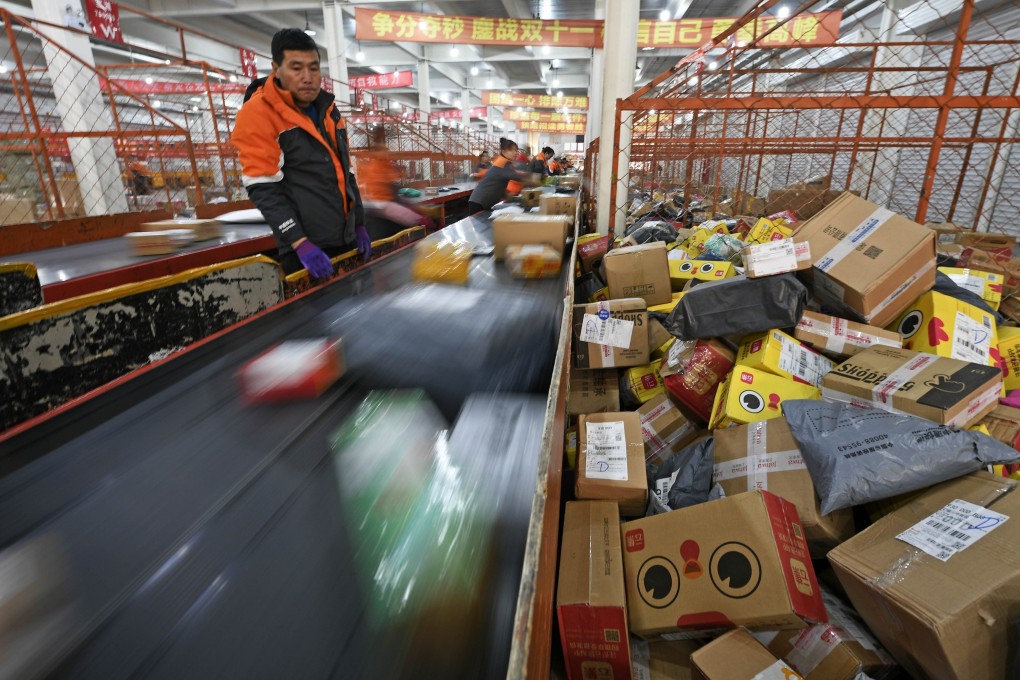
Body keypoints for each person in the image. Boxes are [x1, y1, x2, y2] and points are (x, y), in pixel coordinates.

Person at [232, 28, 367, 280]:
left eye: (313, 68)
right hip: (306, 252)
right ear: (277, 69)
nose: (307, 77)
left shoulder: (329, 111)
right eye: (296, 68)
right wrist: (299, 242)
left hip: (345, 240)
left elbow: (346, 173)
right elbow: (263, 188)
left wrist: (359, 222)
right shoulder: (258, 114)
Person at [357, 125, 434, 235]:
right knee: (415, 218)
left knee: (412, 211)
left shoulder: (383, 165)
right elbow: (384, 192)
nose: (387, 153)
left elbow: (392, 188)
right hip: (380, 205)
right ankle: (425, 228)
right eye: (384, 151)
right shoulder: (374, 167)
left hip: (384, 203)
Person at [467, 138, 532, 214]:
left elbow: (498, 181)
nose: (515, 152)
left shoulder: (503, 162)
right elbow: (518, 177)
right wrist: (535, 180)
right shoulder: (503, 163)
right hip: (480, 202)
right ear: (503, 151)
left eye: (516, 150)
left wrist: (506, 195)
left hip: (480, 201)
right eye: (512, 150)